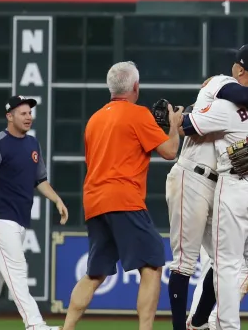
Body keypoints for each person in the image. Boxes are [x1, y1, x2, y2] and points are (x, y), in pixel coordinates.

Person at [165, 54, 248, 330]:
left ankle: (197, 322)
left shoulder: (247, 104)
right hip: (192, 176)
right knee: (185, 260)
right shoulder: (222, 83)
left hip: (220, 182)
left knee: (225, 258)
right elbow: (234, 91)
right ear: (241, 70)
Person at [61, 62, 184, 330]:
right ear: (135, 87)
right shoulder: (137, 114)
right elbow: (170, 151)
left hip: (94, 200)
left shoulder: (94, 119)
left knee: (95, 273)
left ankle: (67, 327)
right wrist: (173, 125)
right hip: (124, 198)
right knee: (152, 264)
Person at [0, 96, 68, 330]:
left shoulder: (32, 145)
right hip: (0, 220)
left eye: (30, 113)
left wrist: (56, 199)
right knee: (17, 271)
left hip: (19, 220)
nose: (28, 117)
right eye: (22, 113)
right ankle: (35, 325)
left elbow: (40, 180)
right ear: (9, 116)